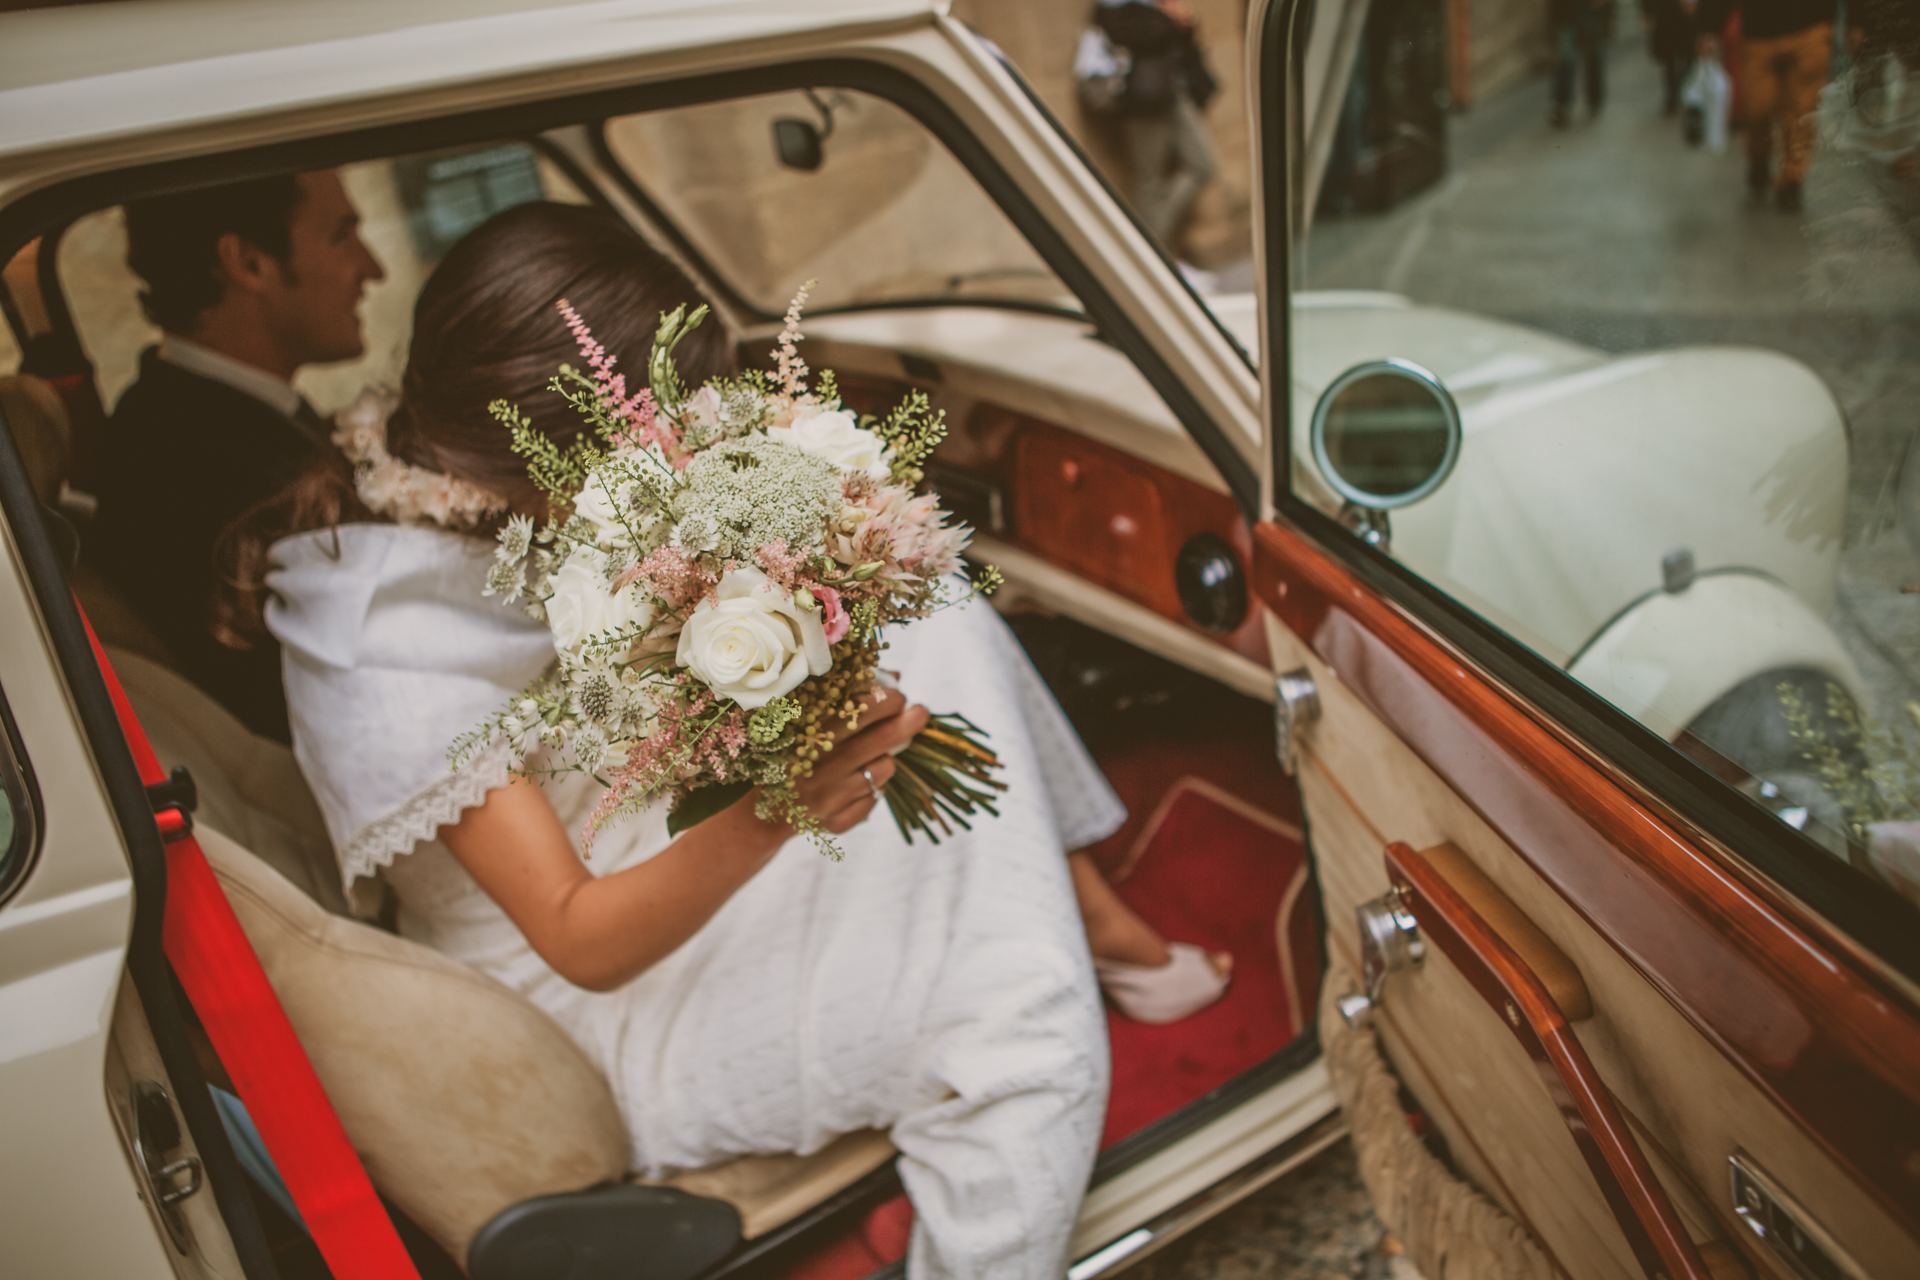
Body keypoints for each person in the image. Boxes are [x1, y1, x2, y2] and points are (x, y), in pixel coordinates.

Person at [216, 202, 1227, 1278]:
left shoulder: (460, 488)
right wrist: (784, 805)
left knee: (923, 600)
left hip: (625, 825)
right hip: (598, 996)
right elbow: (575, 935)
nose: (684, 447)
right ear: (571, 440)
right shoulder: (385, 642)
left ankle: (1089, 907)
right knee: (1015, 1027)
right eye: (667, 424)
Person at [87, 170, 384, 741]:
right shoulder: (195, 459)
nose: (372, 268)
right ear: (249, 264)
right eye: (342, 235)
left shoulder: (217, 415)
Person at [1694, 0, 1854, 210]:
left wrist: (1858, 19)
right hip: (1759, 33)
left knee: (1801, 110)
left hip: (1813, 26)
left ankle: (1791, 179)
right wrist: (1707, 26)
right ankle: (1759, 157)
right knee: (1757, 108)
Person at [1093, 0, 1220, 253]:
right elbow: (1133, 37)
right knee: (1148, 179)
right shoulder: (1114, 6)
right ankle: (1154, 250)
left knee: (1203, 164)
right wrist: (1168, 19)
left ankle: (1151, 240)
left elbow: (1181, 45)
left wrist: (1185, 23)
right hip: (1144, 101)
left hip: (1176, 95)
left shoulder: (1158, 7)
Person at [1550, 0, 1610, 127]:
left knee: (1591, 59)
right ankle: (1562, 106)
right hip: (1568, 18)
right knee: (1567, 62)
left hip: (1588, 15)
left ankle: (1593, 100)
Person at [1641, 0, 1695, 116]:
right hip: (1665, 15)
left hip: (1680, 15)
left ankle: (1683, 92)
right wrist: (1647, 11)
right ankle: (1673, 96)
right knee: (1669, 59)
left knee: (1685, 56)